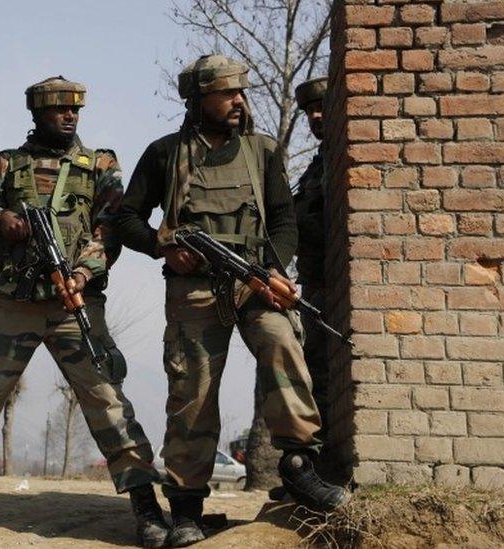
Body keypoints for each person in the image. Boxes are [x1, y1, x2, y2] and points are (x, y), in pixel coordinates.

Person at [0, 76, 170, 548]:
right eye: (59, 111)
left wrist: (84, 274)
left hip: (75, 303)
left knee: (107, 401)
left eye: (75, 111)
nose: (70, 117)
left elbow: (109, 229)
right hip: (14, 302)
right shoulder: (7, 165)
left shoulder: (100, 165)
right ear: (37, 114)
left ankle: (145, 505)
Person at [114, 55, 347, 546]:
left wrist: (274, 270)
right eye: (227, 93)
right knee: (192, 393)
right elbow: (125, 218)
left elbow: (283, 222)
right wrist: (163, 245)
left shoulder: (262, 151)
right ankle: (185, 508)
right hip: (193, 291)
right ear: (199, 100)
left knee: (284, 346)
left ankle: (300, 464)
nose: (239, 101)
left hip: (254, 283)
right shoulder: (164, 154)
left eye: (241, 92)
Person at [292, 77, 331, 448]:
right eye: (308, 112)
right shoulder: (319, 163)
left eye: (320, 107)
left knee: (320, 373)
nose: (315, 116)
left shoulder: (340, 159)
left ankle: (323, 461)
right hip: (315, 285)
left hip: (331, 288)